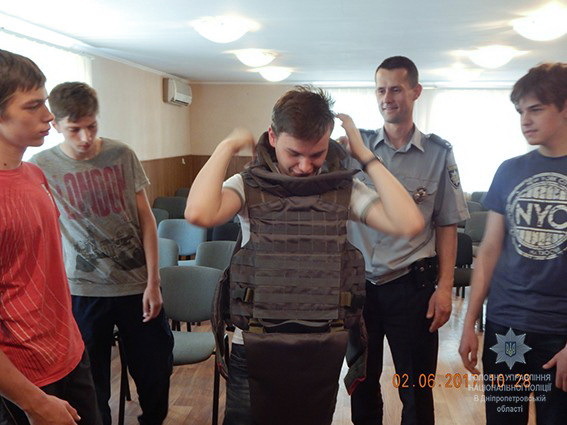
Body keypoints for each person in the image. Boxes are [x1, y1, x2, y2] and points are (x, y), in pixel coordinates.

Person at [185, 86, 424, 425]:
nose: (304, 166)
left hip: (322, 343)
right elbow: (198, 213)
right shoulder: (249, 184)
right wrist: (227, 146)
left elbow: (409, 222)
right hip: (254, 341)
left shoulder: (342, 189)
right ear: (272, 136)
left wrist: (365, 156)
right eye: (294, 153)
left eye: (317, 154)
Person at [30, 82, 174, 425]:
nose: (85, 138)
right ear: (56, 125)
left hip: (136, 287)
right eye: (74, 129)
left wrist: (153, 283)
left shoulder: (121, 154)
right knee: (91, 383)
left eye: (92, 126)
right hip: (82, 291)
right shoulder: (40, 166)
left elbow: (147, 220)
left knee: (155, 370)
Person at [342, 56, 469, 425]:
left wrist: (444, 288)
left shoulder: (438, 154)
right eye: (380, 90)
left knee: (416, 388)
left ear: (416, 91)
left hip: (411, 287)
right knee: (362, 384)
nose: (387, 98)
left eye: (396, 89)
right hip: (360, 289)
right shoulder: (354, 149)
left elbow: (447, 224)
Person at [459, 63, 567, 424]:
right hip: (506, 328)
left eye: (535, 109)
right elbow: (489, 250)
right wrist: (470, 323)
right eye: (520, 111)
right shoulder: (509, 170)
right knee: (504, 417)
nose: (525, 120)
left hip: (559, 333)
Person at [0, 50, 101, 425]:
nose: (48, 116)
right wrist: (35, 403)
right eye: (33, 106)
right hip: (25, 377)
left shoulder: (33, 175)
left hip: (68, 351)